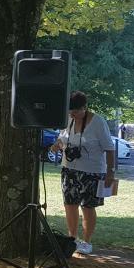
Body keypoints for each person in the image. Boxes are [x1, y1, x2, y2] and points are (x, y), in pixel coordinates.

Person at [50, 91, 116, 255]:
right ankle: (72, 238)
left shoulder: (98, 122)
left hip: (92, 172)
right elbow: (62, 138)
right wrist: (57, 145)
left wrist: (110, 172)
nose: (73, 114)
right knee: (69, 204)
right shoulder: (69, 120)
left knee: (87, 206)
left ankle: (87, 242)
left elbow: (109, 148)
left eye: (76, 111)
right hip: (69, 170)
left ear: (85, 107)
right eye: (70, 111)